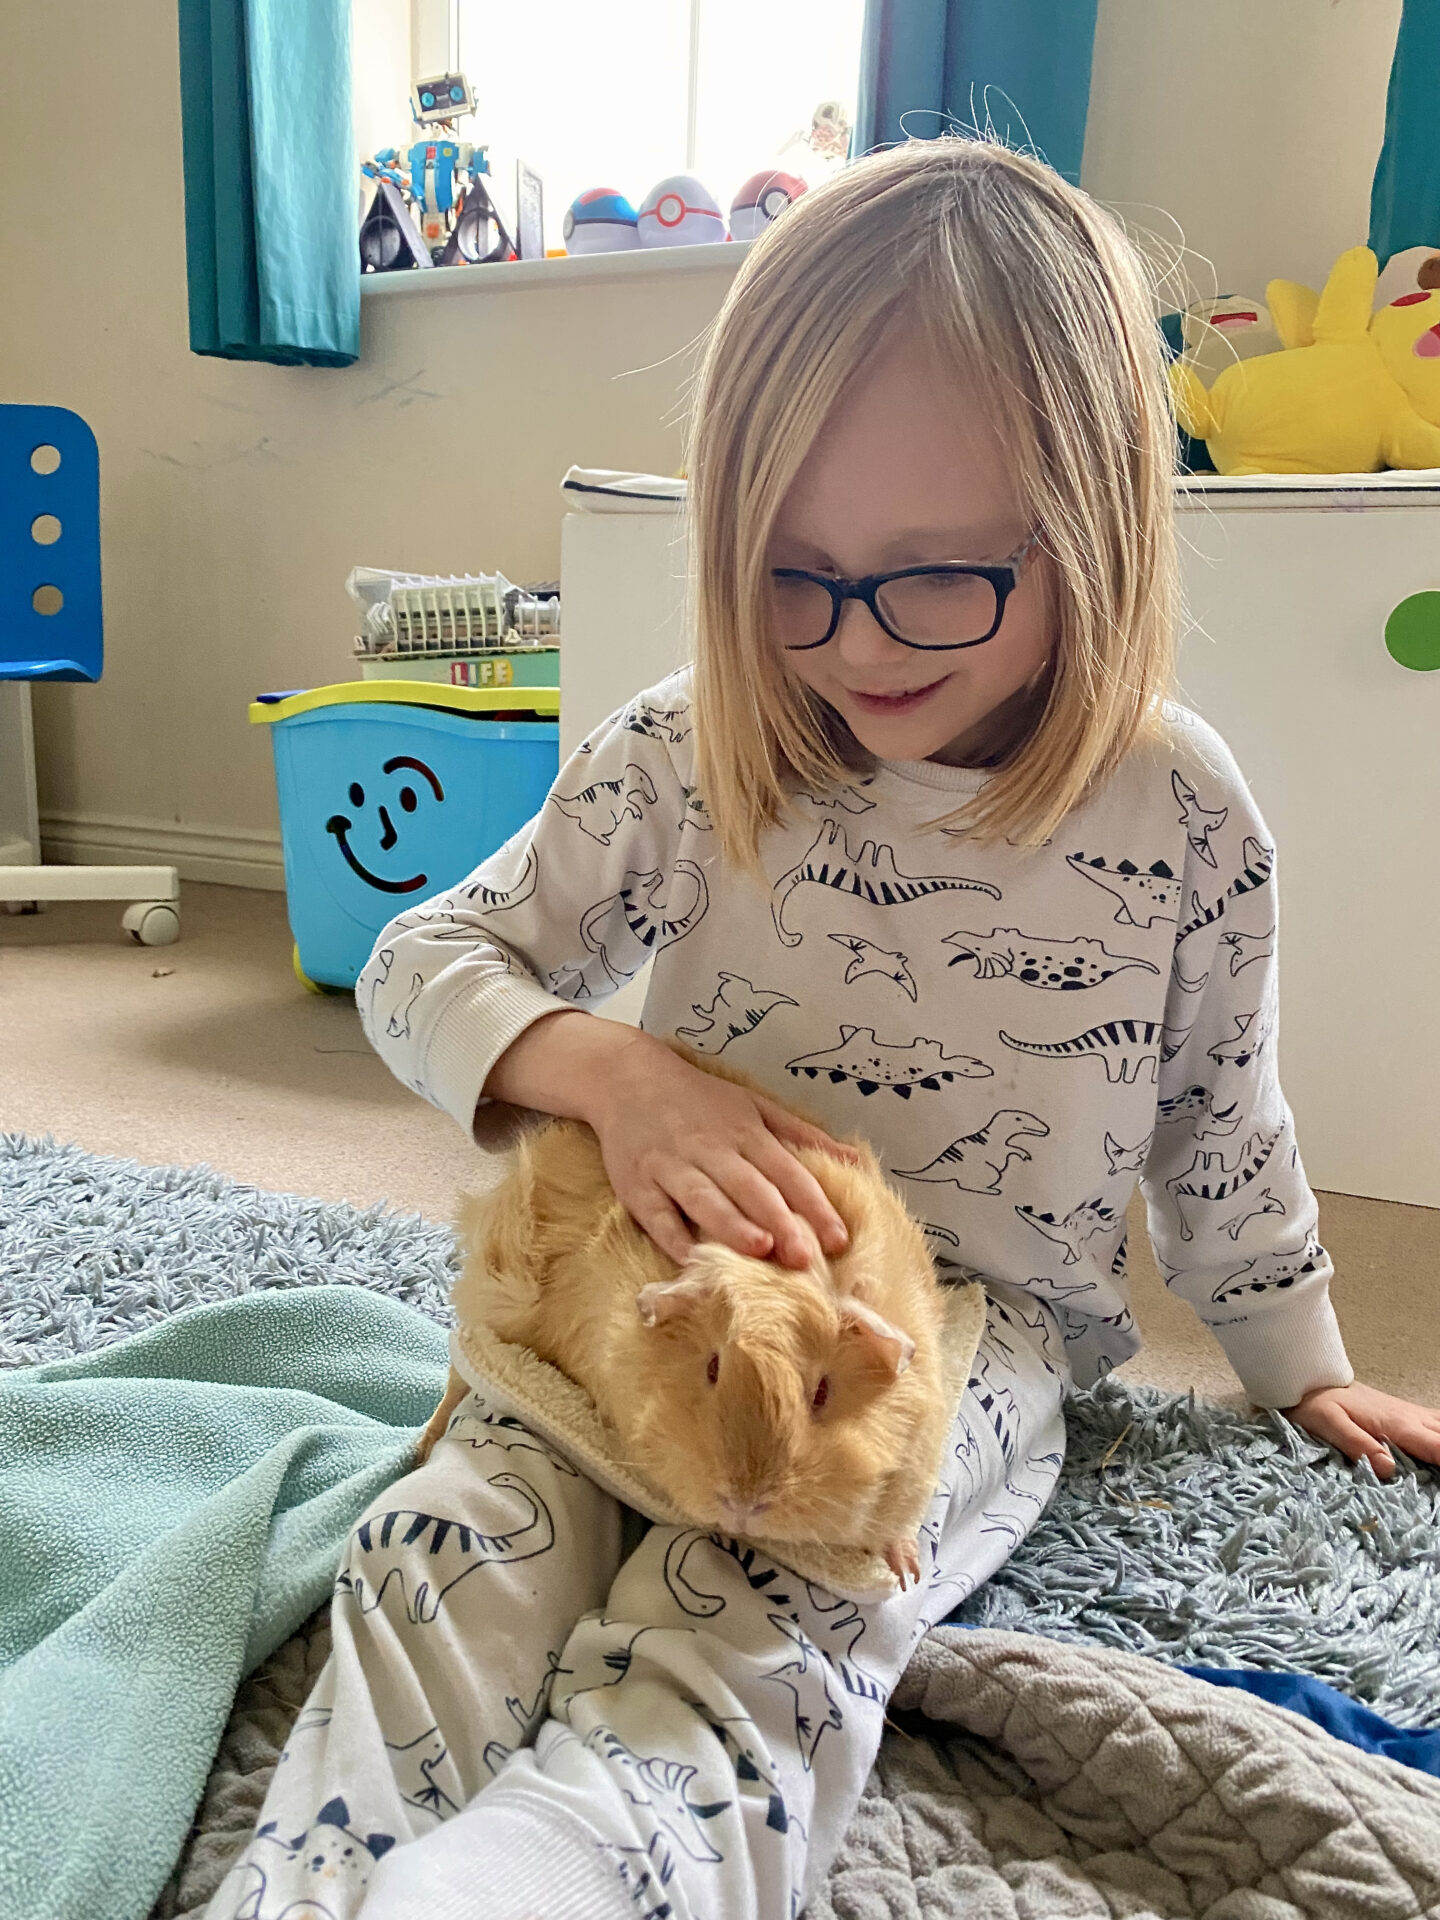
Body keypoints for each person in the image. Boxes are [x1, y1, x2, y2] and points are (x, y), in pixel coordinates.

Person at [205, 135, 1440, 1920]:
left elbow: (1219, 1119)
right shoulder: (698, 740)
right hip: (657, 1274)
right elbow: (421, 960)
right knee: (454, 1538)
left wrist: (1301, 1361)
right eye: (792, 572)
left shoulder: (1180, 810)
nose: (852, 642)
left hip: (959, 1328)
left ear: (1089, 525)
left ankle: (570, 1875)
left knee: (782, 1614)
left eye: (935, 576)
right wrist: (611, 1072)